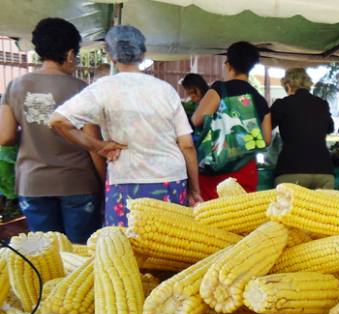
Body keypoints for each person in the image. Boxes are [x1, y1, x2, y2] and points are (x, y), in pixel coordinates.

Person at [49, 25, 202, 227]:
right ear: (143, 54)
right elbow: (187, 145)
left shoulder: (103, 89)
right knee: (171, 253)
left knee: (126, 249)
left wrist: (97, 146)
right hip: (171, 180)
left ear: (111, 56)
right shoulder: (166, 90)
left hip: (127, 181)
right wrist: (195, 190)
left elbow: (57, 121)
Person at [0, 18, 103, 243]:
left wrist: (31, 131)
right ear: (69, 54)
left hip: (33, 184)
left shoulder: (15, 86)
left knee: (47, 254)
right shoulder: (81, 89)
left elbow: (5, 137)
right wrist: (104, 182)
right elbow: (93, 143)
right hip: (78, 183)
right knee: (80, 255)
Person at [193, 41, 272, 200]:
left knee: (209, 219)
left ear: (228, 65)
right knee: (241, 218)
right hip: (245, 170)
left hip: (215, 169)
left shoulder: (219, 89)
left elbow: (197, 119)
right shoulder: (259, 99)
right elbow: (267, 139)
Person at [271, 68, 334, 189]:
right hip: (324, 170)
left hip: (291, 169)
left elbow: (266, 128)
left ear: (288, 85)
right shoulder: (322, 104)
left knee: (287, 208)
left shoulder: (282, 104)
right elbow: (330, 128)